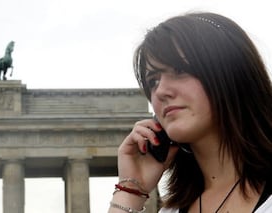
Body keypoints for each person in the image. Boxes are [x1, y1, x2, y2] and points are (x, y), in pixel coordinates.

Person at [109, 12, 272, 213]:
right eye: (153, 81)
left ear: (231, 74)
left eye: (179, 71)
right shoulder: (172, 210)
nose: (160, 91)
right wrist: (131, 190)